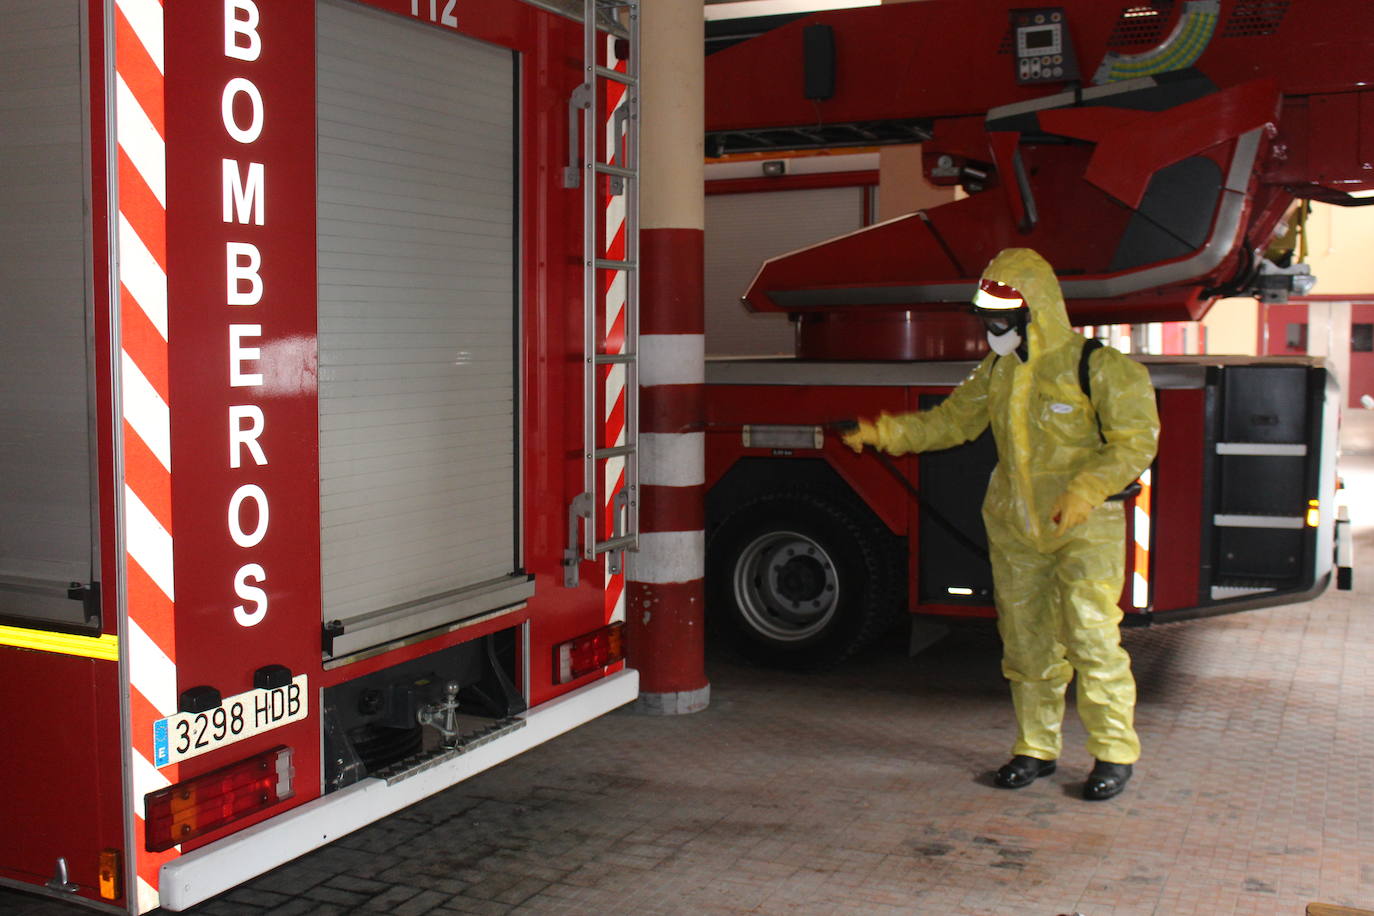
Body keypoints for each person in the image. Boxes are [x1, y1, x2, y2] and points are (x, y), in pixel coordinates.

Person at [842, 248, 1160, 801]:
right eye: (988, 321)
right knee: (1026, 644)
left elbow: (1136, 442)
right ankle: (1036, 748)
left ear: (1035, 311)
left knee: (1091, 640)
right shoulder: (997, 372)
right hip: (1016, 529)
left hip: (1085, 529)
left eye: (1001, 321)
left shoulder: (1100, 368)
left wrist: (1084, 490)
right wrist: (880, 434)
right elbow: (950, 423)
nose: (993, 332)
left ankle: (1112, 755)